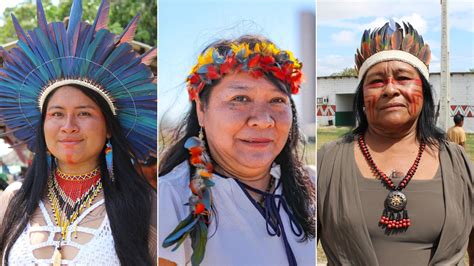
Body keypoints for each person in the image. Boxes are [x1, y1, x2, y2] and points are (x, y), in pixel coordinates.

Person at [0, 0, 157, 265]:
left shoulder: (144, 203)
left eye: (84, 113)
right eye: (57, 114)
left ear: (108, 128)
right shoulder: (13, 199)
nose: (69, 126)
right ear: (43, 125)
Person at [317, 20, 474, 265]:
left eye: (403, 78)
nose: (390, 89)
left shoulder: (458, 163)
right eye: (376, 81)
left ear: (424, 91)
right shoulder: (328, 161)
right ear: (361, 97)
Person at [159, 36, 315, 265]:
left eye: (276, 100)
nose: (263, 120)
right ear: (202, 110)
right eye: (240, 98)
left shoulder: (313, 184)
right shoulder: (171, 198)